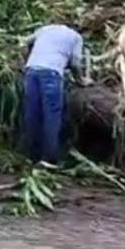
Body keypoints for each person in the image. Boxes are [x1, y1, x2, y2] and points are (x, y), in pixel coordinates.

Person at [22, 24, 90, 164]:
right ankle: (49, 159)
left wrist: (25, 62)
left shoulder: (47, 29)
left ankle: (30, 156)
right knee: (51, 116)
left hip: (32, 71)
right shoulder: (76, 37)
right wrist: (81, 80)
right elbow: (76, 64)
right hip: (51, 74)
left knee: (32, 113)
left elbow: (24, 44)